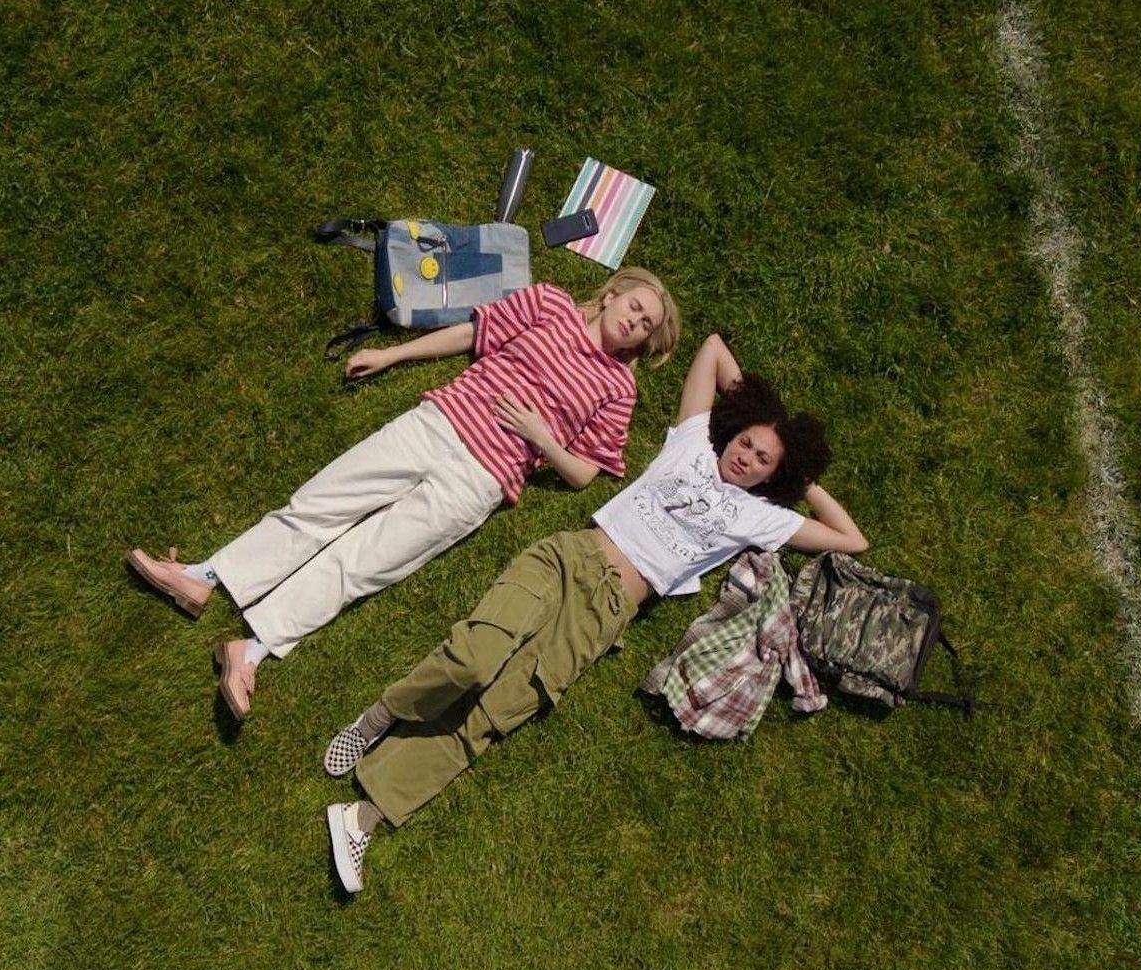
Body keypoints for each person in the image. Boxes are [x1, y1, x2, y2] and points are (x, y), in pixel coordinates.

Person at [320, 333, 868, 893]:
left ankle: (362, 816)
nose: (745, 457)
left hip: (606, 613)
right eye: (746, 442)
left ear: (772, 477)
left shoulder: (762, 518)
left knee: (493, 715)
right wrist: (759, 411)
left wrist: (799, 478)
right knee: (473, 659)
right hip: (571, 558)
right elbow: (712, 349)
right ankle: (381, 717)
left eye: (762, 460)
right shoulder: (693, 445)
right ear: (732, 431)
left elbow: (852, 539)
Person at [127, 269, 681, 720]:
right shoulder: (550, 304)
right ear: (611, 295)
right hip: (438, 424)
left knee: (367, 563)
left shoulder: (618, 387)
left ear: (644, 341)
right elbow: (472, 333)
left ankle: (248, 653)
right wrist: (393, 356)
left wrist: (543, 439)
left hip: (479, 482)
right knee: (322, 504)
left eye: (646, 326)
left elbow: (585, 471)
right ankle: (204, 578)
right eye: (634, 306)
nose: (635, 321)